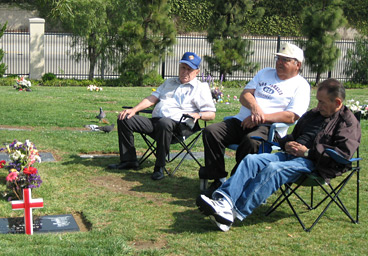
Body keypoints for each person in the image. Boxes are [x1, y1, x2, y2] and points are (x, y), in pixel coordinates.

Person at [196, 78, 361, 232]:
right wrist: (286, 143)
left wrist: (308, 152)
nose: (318, 105)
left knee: (274, 169)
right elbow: (294, 136)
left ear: (337, 102)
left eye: (322, 102)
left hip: (315, 164)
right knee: (251, 160)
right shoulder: (313, 115)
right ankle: (224, 201)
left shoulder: (347, 123)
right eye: (317, 101)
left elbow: (342, 154)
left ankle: (232, 212)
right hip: (291, 155)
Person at [200, 42, 311, 196]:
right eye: (278, 58)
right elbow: (245, 94)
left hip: (269, 129)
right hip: (241, 120)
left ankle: (235, 185)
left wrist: (261, 118)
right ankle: (217, 179)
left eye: (285, 60)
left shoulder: (301, 86)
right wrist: (255, 108)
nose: (279, 62)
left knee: (251, 141)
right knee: (211, 131)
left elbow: (292, 116)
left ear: (297, 64)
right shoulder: (265, 72)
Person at [108, 52, 216, 180]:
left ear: (197, 72)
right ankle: (129, 160)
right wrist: (134, 109)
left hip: (178, 127)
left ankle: (159, 167)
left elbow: (211, 114)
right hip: (156, 122)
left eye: (189, 69)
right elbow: (152, 98)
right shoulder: (169, 82)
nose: (185, 72)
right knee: (125, 118)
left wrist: (198, 115)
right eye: (183, 67)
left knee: (165, 123)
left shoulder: (200, 88)